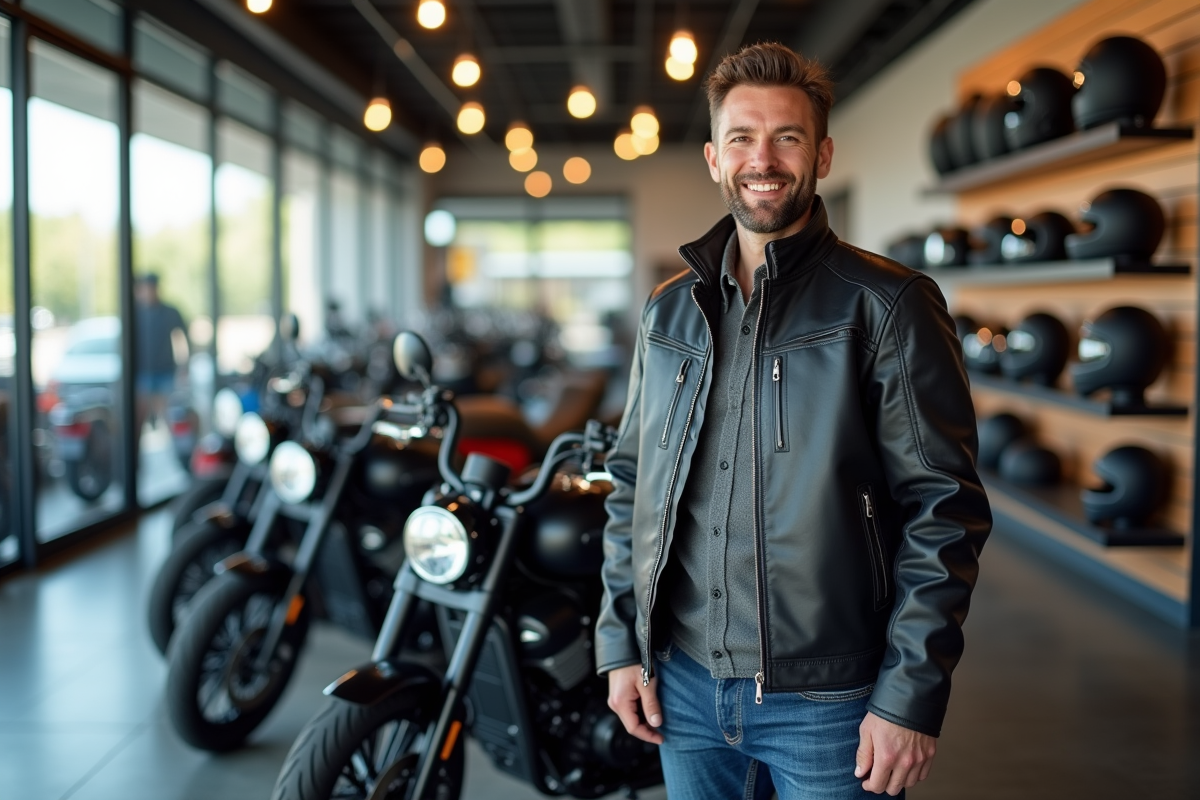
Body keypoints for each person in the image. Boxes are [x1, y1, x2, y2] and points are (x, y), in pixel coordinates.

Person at [595, 43, 991, 799]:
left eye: (787, 137)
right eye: (742, 138)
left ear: (823, 154)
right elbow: (632, 483)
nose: (762, 160)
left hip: (829, 701)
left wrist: (909, 696)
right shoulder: (668, 310)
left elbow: (944, 509)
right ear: (715, 158)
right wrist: (621, 643)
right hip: (682, 684)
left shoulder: (888, 304)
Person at [134, 273, 188, 440]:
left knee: (169, 416)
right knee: (139, 417)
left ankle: (176, 451)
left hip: (165, 371)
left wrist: (184, 366)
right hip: (142, 372)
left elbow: (183, 338)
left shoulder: (170, 312)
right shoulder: (135, 312)